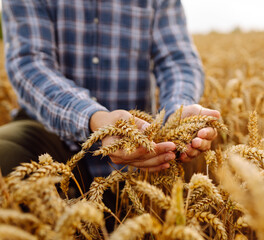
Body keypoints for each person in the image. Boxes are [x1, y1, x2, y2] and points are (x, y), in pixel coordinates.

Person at [0, 0, 220, 180]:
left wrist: (178, 114)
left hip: (141, 148)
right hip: (48, 137)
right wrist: (94, 119)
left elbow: (177, 60)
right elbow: (30, 63)